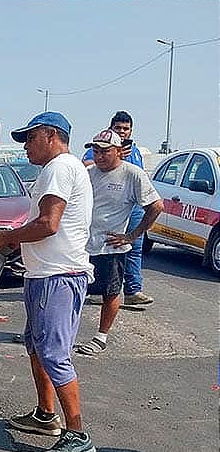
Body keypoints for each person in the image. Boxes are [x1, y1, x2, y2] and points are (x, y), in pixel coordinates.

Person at [0, 112, 96, 452]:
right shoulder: (56, 170)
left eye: (30, 138)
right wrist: (14, 240)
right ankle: (45, 414)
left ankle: (77, 434)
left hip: (58, 276)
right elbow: (43, 224)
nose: (26, 146)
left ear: (51, 136)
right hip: (44, 275)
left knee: (53, 353)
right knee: (36, 347)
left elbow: (48, 224)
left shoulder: (60, 167)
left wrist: (6, 237)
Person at [75, 130, 163, 356]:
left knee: (111, 293)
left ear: (118, 151)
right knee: (75, 291)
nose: (99, 156)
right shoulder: (88, 172)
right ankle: (65, 333)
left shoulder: (132, 174)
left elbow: (156, 206)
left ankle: (100, 336)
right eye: (95, 151)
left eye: (105, 151)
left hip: (111, 246)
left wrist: (132, 236)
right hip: (82, 245)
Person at [82, 111, 152, 308]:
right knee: (104, 249)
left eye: (125, 129)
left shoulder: (135, 152)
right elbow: (87, 163)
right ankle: (99, 288)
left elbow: (155, 205)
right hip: (103, 215)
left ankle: (132, 289)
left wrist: (133, 234)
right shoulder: (99, 150)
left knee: (132, 248)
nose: (122, 132)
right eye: (118, 128)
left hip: (134, 206)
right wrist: (109, 157)